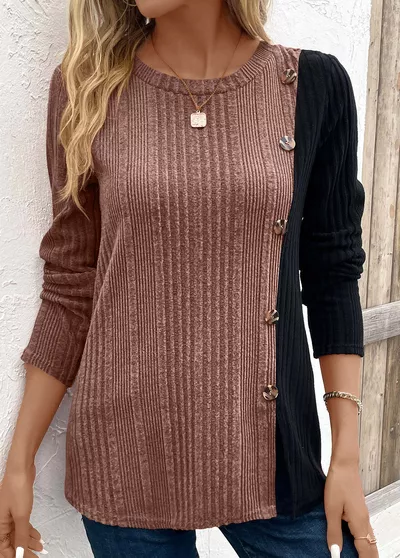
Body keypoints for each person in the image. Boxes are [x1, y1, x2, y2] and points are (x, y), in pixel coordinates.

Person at [0, 1, 379, 557]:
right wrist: (20, 460)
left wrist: (346, 454)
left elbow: (332, 272)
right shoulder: (88, 90)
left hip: (273, 457)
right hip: (125, 457)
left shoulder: (312, 85)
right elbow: (71, 281)